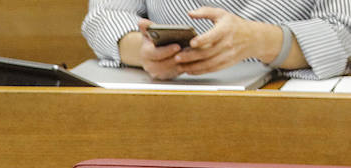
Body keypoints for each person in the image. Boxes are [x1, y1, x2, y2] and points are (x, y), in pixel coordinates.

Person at [82, 1, 351, 79]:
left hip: (289, 98)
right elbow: (106, 15)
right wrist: (143, 51)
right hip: (171, 93)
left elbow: (343, 31)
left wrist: (259, 40)